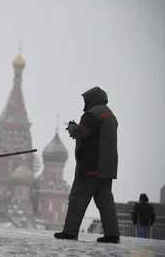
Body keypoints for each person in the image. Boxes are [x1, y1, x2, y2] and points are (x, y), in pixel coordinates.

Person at [54, 86, 120, 243]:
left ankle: (70, 232)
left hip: (91, 165)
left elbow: (80, 132)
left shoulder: (92, 114)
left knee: (78, 197)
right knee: (105, 201)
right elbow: (95, 134)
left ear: (91, 99)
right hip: (107, 167)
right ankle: (112, 234)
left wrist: (72, 127)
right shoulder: (110, 115)